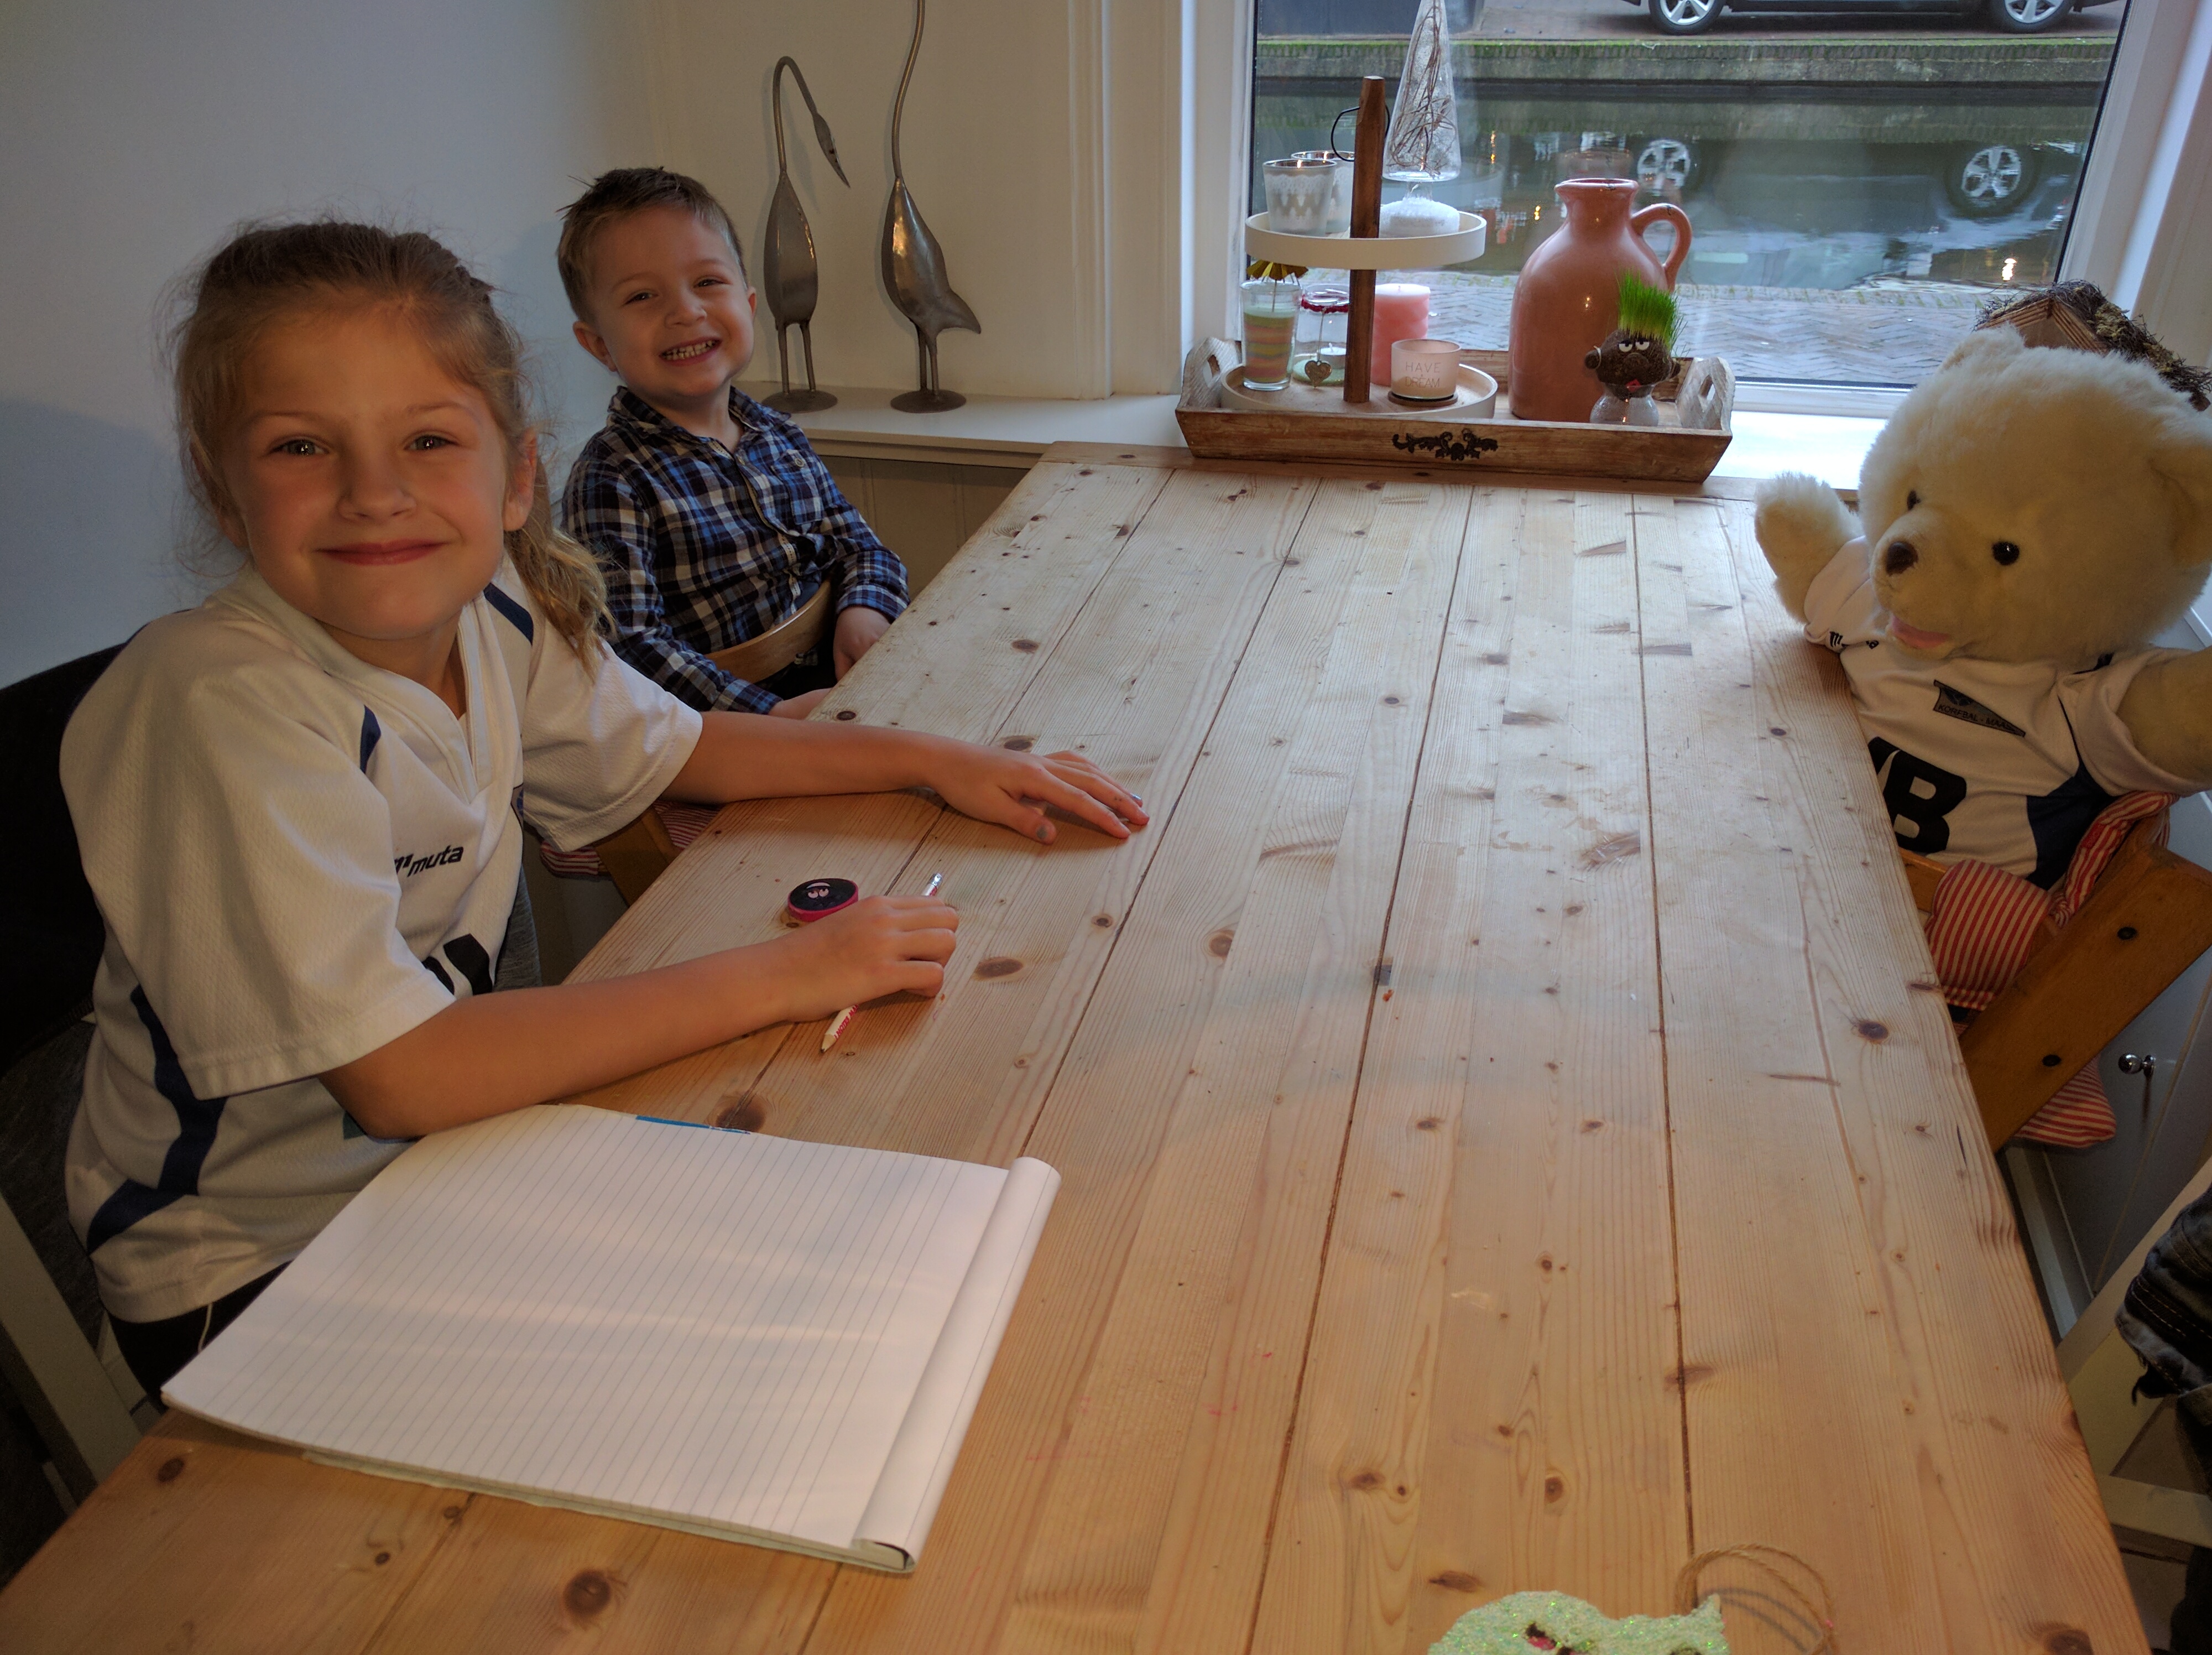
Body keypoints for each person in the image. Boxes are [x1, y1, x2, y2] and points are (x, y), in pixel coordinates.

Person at [61, 221, 1146, 1396]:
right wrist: (791, 972)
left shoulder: (493, 612)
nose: (374, 495)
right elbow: (401, 1075)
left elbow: (685, 746)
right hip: (256, 1265)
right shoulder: (214, 703)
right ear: (222, 491)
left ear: (516, 475)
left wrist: (932, 758)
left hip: (443, 1168)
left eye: (428, 438)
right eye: (301, 447)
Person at [557, 166, 900, 720]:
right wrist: (770, 718)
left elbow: (861, 548)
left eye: (708, 283)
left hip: (839, 690)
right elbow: (631, 650)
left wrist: (863, 609)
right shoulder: (611, 477)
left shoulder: (778, 435)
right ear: (598, 344)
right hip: (727, 730)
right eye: (642, 295)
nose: (685, 312)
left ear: (749, 304)